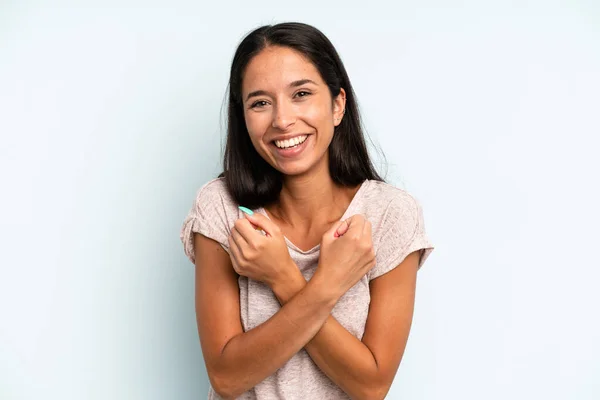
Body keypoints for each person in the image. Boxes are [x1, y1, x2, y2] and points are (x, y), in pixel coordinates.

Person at [180, 22, 434, 400]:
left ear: (337, 105)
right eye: (260, 102)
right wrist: (327, 283)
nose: (282, 120)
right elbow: (228, 378)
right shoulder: (221, 206)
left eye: (301, 94)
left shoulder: (389, 215)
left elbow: (371, 385)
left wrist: (282, 277)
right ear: (244, 117)